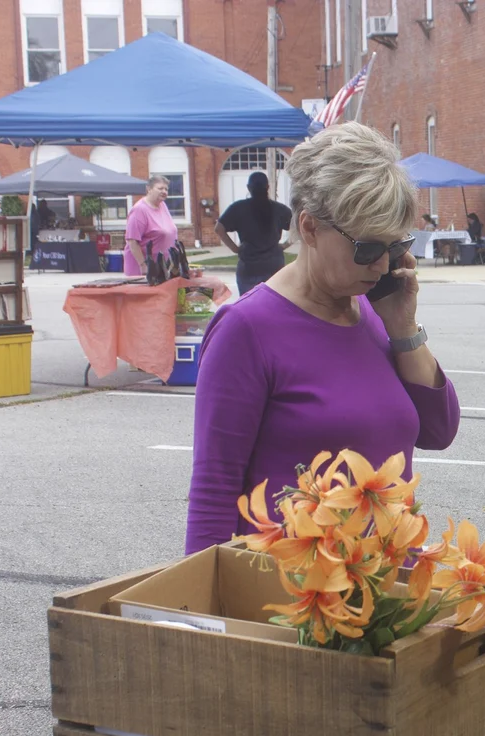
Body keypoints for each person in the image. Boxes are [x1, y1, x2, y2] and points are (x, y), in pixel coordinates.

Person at [185, 122, 461, 554]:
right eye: (367, 248)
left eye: (394, 247)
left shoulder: (371, 308)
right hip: (294, 595)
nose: (381, 265)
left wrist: (404, 328)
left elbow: (438, 430)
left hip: (385, 588)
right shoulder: (247, 329)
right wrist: (210, 612)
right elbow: (213, 490)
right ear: (310, 228)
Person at [215, 171, 294, 295]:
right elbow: (298, 226)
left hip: (249, 266)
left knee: (249, 306)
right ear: (267, 187)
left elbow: (218, 229)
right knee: (273, 305)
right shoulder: (278, 209)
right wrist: (285, 244)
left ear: (249, 188)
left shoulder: (238, 208)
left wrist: (235, 249)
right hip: (274, 265)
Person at [123, 175, 178, 279]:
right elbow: (132, 241)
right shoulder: (139, 210)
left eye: (166, 189)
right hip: (144, 269)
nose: (164, 192)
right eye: (160, 188)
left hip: (163, 266)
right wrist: (143, 266)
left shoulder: (162, 205)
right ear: (149, 189)